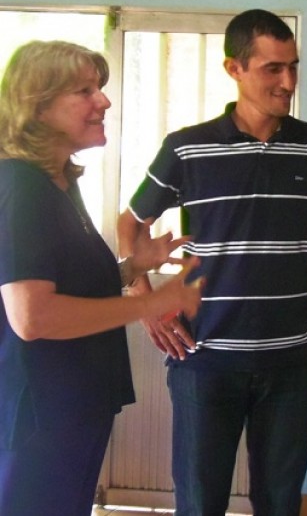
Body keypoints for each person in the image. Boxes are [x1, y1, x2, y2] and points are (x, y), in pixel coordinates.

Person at [117, 9, 307, 516]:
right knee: (199, 502)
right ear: (235, 68)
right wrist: (144, 304)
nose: (288, 82)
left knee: (280, 502)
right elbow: (131, 224)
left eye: (293, 67)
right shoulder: (187, 149)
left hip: (291, 361)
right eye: (273, 69)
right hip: (205, 360)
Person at [0, 40, 203, 516]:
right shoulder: (22, 187)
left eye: (100, 88)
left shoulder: (59, 183)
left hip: (74, 404)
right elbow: (33, 317)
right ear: (38, 106)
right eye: (85, 91)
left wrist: (134, 268)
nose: (105, 101)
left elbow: (67, 286)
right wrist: (149, 304)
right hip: (39, 414)